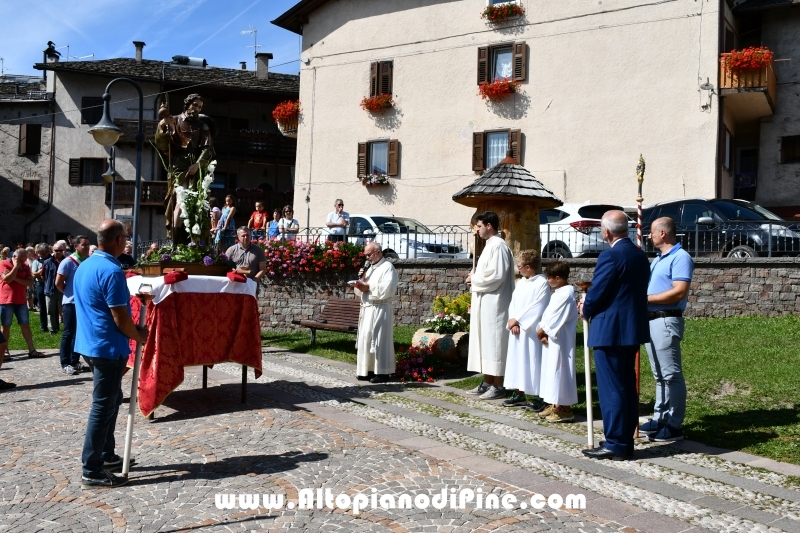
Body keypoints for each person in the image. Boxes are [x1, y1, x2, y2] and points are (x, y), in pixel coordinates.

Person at [74, 220, 148, 488]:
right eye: (126, 238)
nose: (127, 242)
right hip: (105, 347)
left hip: (89, 345)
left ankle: (105, 455)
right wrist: (138, 335)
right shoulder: (111, 270)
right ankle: (91, 469)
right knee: (103, 405)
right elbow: (120, 317)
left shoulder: (86, 265)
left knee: (112, 398)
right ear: (117, 240)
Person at [579, 210, 650, 460]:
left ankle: (616, 442)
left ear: (607, 231)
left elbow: (598, 293)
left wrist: (585, 308)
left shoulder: (610, 256)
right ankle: (623, 437)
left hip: (610, 331)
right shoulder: (640, 256)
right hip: (630, 330)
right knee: (626, 387)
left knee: (612, 389)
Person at [640, 216, 693, 442]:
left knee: (671, 375)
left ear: (662, 233)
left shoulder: (681, 257)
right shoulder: (658, 259)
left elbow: (679, 291)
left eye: (651, 232)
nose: (648, 236)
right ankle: (661, 417)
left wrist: (647, 298)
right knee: (659, 375)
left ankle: (674, 425)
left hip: (665, 319)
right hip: (651, 319)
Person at [465, 211, 515, 400]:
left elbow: (497, 275)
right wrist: (474, 275)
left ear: (488, 225)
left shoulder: (499, 246)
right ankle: (488, 381)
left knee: (496, 343)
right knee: (487, 342)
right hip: (486, 301)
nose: (476, 230)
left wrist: (475, 279)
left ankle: (499, 385)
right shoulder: (489, 246)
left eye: (478, 226)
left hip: (496, 304)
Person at [155, 93, 215, 243]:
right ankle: (175, 239)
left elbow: (208, 149)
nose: (197, 109)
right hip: (178, 164)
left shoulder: (203, 126)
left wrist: (198, 164)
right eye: (195, 105)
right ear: (188, 104)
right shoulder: (173, 121)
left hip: (197, 165)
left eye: (200, 107)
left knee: (198, 203)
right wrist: (162, 126)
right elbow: (162, 145)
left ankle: (195, 240)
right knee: (179, 200)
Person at [502, 250, 550, 409]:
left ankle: (538, 396)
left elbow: (537, 306)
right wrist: (512, 320)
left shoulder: (542, 283)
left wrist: (519, 320)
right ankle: (519, 393)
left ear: (528, 267)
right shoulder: (521, 282)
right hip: (517, 330)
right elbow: (513, 303)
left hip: (530, 331)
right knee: (517, 362)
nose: (518, 268)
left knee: (533, 361)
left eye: (520, 266)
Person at [536, 261, 579, 422]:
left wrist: (542, 331)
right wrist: (542, 329)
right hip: (553, 339)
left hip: (561, 340)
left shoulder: (566, 295)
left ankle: (565, 408)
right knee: (552, 371)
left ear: (559, 278)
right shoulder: (559, 293)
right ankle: (555, 403)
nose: (548, 281)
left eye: (549, 278)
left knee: (560, 372)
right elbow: (548, 314)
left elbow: (554, 319)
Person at [354, 242, 398, 383]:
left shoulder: (388, 268)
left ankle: (382, 372)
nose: (367, 258)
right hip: (367, 308)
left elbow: (388, 288)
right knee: (366, 339)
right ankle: (366, 370)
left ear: (378, 252)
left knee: (379, 340)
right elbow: (360, 290)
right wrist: (360, 281)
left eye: (369, 254)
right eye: (365, 255)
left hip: (380, 308)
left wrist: (368, 287)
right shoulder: (370, 269)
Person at [56, 235, 91, 375]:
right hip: (70, 303)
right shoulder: (68, 262)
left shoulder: (88, 261)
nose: (87, 247)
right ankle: (65, 362)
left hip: (84, 304)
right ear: (76, 246)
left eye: (88, 244)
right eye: (84, 244)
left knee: (79, 333)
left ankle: (75, 360)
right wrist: (69, 293)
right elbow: (58, 283)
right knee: (68, 333)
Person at [1, 248, 45, 359]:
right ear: (14, 257)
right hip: (7, 300)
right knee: (6, 326)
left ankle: (32, 350)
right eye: (20, 260)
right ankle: (4, 351)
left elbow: (29, 282)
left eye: (24, 259)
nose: (23, 262)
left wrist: (14, 278)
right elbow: (6, 279)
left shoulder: (25, 266)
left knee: (25, 325)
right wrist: (15, 268)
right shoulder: (4, 263)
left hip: (21, 300)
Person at [43, 241, 66, 334]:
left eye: (60, 250)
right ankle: (52, 329)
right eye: (56, 250)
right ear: (53, 251)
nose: (59, 252)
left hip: (63, 289)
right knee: (50, 310)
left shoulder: (66, 261)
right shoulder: (47, 262)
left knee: (65, 310)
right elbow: (43, 275)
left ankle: (66, 328)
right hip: (50, 289)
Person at [32, 244, 49, 333]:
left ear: (47, 252)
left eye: (43, 254)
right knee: (42, 306)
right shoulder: (36, 261)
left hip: (49, 284)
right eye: (40, 253)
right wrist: (41, 272)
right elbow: (33, 274)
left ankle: (53, 327)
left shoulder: (51, 260)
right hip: (40, 284)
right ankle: (43, 327)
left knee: (51, 307)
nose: (41, 256)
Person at [25, 247, 37, 311]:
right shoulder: (24, 260)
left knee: (32, 292)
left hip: (33, 278)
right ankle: (28, 305)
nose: (32, 253)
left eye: (32, 252)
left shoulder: (34, 260)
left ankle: (31, 305)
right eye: (31, 251)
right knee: (27, 292)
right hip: (26, 278)